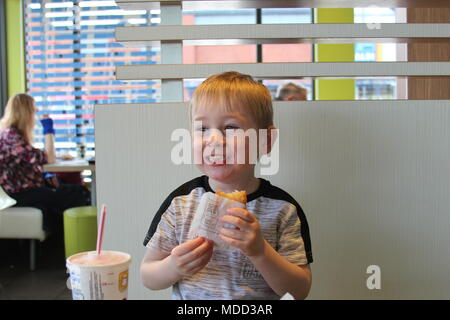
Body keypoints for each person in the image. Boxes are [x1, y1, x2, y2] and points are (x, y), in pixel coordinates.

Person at [140, 72, 313, 300]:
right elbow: (147, 276)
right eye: (202, 129)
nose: (214, 140)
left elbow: (299, 291)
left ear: (266, 141)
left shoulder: (283, 209)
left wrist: (260, 252)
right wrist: (174, 266)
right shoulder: (180, 204)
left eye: (231, 128)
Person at [0, 93, 90, 235]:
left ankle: (61, 242)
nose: (35, 115)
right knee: (78, 192)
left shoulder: (9, 134)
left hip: (18, 191)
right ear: (26, 112)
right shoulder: (12, 138)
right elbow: (49, 159)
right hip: (18, 195)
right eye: (34, 110)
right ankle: (79, 238)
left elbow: (30, 162)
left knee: (65, 191)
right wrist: (48, 129)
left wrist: (46, 174)